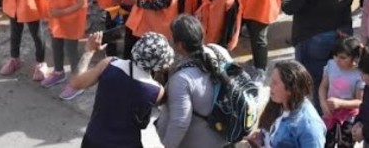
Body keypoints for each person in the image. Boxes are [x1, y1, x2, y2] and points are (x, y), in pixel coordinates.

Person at [71, 31, 174, 148]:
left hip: (94, 140)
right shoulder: (156, 91)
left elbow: (76, 83)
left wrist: (89, 51)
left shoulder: (109, 64)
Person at [156, 14, 230, 148]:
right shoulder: (219, 50)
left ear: (180, 45)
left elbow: (180, 122)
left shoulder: (181, 79)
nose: (169, 39)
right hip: (226, 136)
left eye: (171, 36)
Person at [247, 60, 327, 147]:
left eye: (275, 83)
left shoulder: (309, 126)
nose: (270, 86)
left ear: (290, 89)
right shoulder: (278, 103)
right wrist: (261, 139)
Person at [318, 36, 365, 144]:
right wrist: (323, 103)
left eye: (343, 57)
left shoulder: (360, 75)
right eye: (336, 56)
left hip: (348, 119)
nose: (337, 60)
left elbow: (360, 101)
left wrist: (340, 103)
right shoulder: (331, 65)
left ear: (354, 58)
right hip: (329, 114)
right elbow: (323, 86)